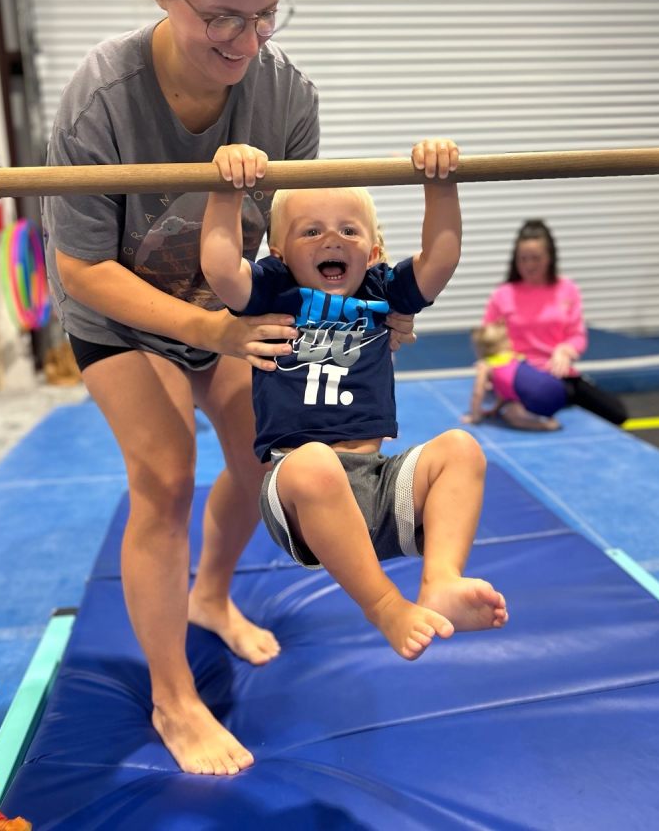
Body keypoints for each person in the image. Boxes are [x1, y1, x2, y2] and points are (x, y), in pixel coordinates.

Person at [41, 0, 415, 778]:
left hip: (234, 304)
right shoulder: (102, 97)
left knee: (265, 453)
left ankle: (210, 597)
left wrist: (373, 299)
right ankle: (173, 699)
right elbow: (81, 265)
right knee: (166, 477)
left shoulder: (287, 97)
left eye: (266, 15)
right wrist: (203, 335)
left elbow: (297, 233)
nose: (246, 41)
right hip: (121, 315)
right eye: (222, 18)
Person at [201, 140, 509, 663]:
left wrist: (439, 184)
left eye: (348, 230)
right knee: (316, 462)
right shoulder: (273, 291)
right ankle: (386, 605)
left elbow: (441, 258)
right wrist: (226, 190)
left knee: (461, 448)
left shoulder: (381, 289)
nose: (331, 240)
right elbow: (220, 268)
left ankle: (441, 580)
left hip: (378, 484)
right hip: (299, 491)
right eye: (311, 231)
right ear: (279, 253)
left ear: (370, 251)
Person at [483, 219, 628, 425]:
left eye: (536, 258)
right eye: (523, 259)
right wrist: (497, 369)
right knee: (547, 393)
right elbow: (487, 340)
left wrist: (565, 350)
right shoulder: (502, 295)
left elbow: (577, 334)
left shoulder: (567, 289)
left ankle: (527, 407)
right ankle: (519, 404)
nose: (529, 265)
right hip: (521, 373)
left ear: (550, 257)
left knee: (617, 413)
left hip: (558, 373)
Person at [465, 320, 567, 430]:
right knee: (516, 398)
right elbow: (504, 391)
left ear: (480, 349)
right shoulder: (515, 356)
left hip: (539, 399)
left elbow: (478, 393)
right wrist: (495, 409)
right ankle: (543, 414)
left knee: (510, 414)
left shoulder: (485, 365)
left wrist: (474, 416)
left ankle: (546, 425)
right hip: (559, 390)